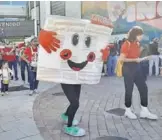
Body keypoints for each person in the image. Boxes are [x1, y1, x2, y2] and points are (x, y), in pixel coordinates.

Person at [38, 29, 109, 137]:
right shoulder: (64, 46)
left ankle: (67, 115)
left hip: (77, 78)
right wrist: (43, 40)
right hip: (66, 79)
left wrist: (101, 57)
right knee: (75, 103)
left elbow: (94, 57)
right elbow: (50, 53)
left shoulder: (83, 50)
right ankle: (69, 126)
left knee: (75, 102)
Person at [119, 26, 158, 120]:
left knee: (144, 88)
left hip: (137, 68)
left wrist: (143, 58)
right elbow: (121, 59)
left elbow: (136, 57)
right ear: (135, 34)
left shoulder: (137, 43)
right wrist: (135, 60)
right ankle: (127, 110)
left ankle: (144, 111)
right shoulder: (126, 44)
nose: (141, 36)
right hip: (128, 69)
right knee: (129, 90)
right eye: (140, 34)